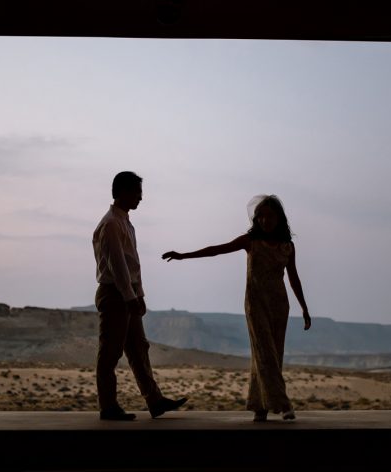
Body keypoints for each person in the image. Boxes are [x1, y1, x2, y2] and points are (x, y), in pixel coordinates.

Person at [162, 195, 311, 422]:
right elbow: (216, 250)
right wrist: (183, 256)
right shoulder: (251, 241)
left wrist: (304, 308)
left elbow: (294, 279)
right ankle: (283, 404)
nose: (264, 220)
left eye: (269, 216)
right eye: (260, 216)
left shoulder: (287, 247)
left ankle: (259, 406)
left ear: (279, 218)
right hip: (256, 305)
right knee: (265, 354)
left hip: (279, 306)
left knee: (271, 354)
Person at [92, 171, 188, 421]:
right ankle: (108, 407)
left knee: (138, 349)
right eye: (136, 192)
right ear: (122, 192)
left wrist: (138, 294)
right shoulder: (112, 223)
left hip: (126, 294)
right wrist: (130, 296)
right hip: (116, 295)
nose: (140, 198)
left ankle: (154, 400)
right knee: (110, 352)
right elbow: (118, 265)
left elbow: (131, 264)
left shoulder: (123, 221)